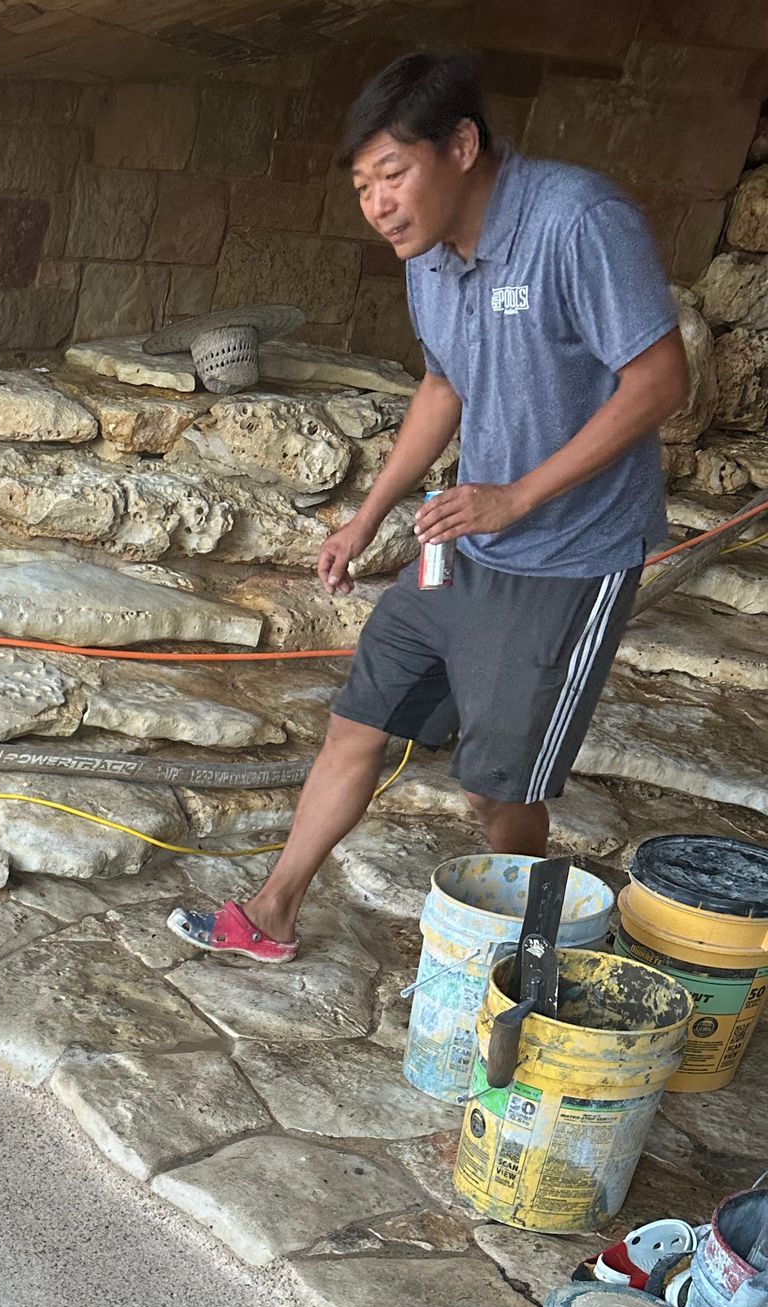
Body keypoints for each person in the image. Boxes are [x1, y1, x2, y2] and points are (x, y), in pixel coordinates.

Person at [170, 52, 689, 967]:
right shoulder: (429, 261)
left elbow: (660, 381)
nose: (377, 203)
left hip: (568, 559)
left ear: (461, 145)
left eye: (393, 174)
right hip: (461, 547)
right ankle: (273, 910)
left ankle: (522, 958)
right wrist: (367, 516)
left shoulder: (576, 221)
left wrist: (517, 495)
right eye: (365, 184)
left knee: (499, 789)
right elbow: (443, 387)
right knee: (357, 722)